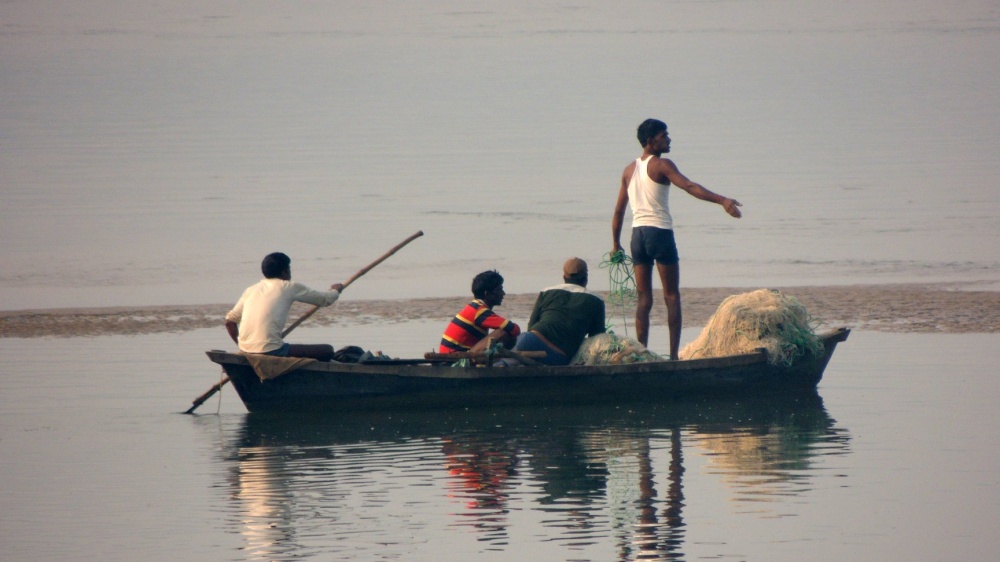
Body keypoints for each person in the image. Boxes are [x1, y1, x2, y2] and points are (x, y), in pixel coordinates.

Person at [612, 118, 743, 359]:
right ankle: (673, 357)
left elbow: (619, 211)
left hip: (637, 236)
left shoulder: (629, 170)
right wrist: (722, 200)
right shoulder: (662, 165)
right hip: (659, 233)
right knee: (671, 296)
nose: (669, 139)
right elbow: (690, 186)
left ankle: (640, 352)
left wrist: (615, 245)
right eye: (664, 135)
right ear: (651, 142)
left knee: (644, 298)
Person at [225, 252, 344, 361]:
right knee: (327, 350)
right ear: (284, 272)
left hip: (246, 351)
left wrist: (242, 347)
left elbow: (229, 321)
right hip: (272, 350)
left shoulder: (250, 290)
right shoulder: (288, 287)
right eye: (289, 269)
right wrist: (335, 290)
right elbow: (325, 300)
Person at [512, 258, 606, 366]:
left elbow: (531, 325)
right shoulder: (596, 300)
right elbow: (597, 339)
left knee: (507, 361)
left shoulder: (546, 291)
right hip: (556, 355)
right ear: (586, 277)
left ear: (564, 277)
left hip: (527, 339)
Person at [439, 270, 521, 354]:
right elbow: (514, 329)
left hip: (456, 354)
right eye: (499, 290)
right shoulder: (479, 312)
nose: (503, 293)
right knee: (503, 333)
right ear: (487, 294)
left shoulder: (475, 307)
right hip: (454, 359)